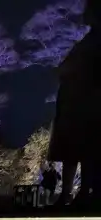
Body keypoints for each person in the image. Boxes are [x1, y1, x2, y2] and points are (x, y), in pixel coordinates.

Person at [49, 0, 101, 206]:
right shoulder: (89, 41)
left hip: (85, 106)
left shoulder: (93, 42)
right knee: (77, 151)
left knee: (86, 150)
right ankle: (74, 192)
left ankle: (82, 191)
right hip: (76, 105)